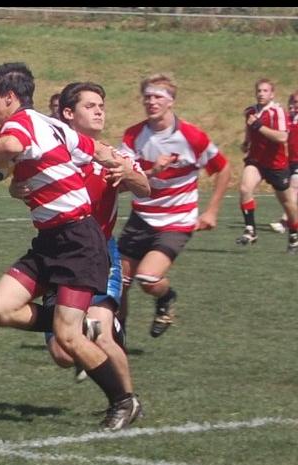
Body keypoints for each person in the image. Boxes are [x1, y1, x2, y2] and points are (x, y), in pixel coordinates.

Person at [0, 63, 142, 430]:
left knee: (66, 338)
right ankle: (80, 326)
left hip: (78, 240)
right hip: (50, 240)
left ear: (9, 98)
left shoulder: (19, 124)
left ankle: (124, 402)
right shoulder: (53, 127)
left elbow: (11, 145)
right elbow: (96, 150)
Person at [10, 82, 150, 396]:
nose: (100, 110)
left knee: (102, 338)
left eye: (101, 105)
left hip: (99, 253)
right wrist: (15, 188)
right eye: (90, 106)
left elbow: (145, 187)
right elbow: (16, 180)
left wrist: (127, 174)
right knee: (62, 353)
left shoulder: (112, 156)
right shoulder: (49, 155)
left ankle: (127, 402)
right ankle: (82, 329)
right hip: (58, 253)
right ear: (68, 114)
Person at [117, 73, 231, 339]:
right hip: (142, 217)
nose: (151, 102)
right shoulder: (133, 135)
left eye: (158, 97)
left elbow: (223, 170)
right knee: (119, 283)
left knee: (148, 278)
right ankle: (116, 338)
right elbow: (125, 175)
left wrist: (212, 210)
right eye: (147, 97)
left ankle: (166, 298)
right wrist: (153, 171)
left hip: (176, 221)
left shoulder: (191, 137)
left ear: (171, 101)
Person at [236, 78, 298, 253]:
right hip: (256, 160)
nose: (261, 94)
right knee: (244, 188)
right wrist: (246, 142)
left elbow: (282, 137)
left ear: (272, 94)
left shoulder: (277, 112)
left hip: (276, 164)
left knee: (288, 203)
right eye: (259, 91)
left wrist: (259, 126)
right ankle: (250, 230)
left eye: (265, 91)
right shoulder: (250, 111)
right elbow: (249, 130)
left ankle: (294, 234)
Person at [269, 91, 298, 234]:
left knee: (293, 187)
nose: (294, 105)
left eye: (296, 102)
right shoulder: (288, 119)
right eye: (292, 102)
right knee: (284, 190)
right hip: (289, 161)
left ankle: (284, 221)